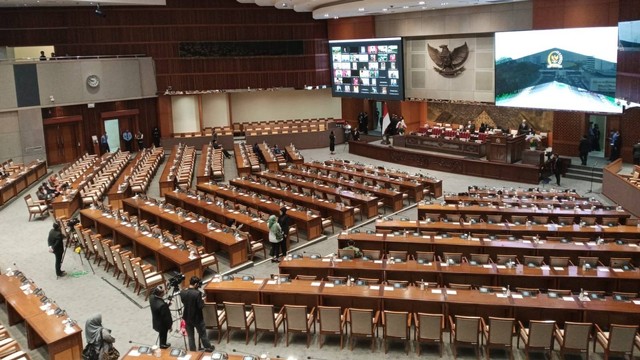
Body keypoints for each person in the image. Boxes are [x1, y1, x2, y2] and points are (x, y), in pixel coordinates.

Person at [179, 276, 214, 352]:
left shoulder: (183, 292)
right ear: (195, 284)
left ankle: (193, 351)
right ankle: (208, 347)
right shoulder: (197, 293)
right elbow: (200, 306)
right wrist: (203, 300)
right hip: (197, 318)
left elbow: (183, 301)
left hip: (187, 317)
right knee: (202, 334)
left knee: (190, 336)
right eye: (198, 284)